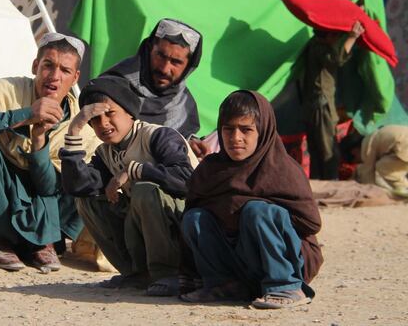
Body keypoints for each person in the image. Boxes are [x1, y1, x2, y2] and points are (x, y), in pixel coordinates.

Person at [0, 32, 99, 272]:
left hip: (44, 199)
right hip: (0, 191)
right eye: (48, 65)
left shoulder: (80, 128)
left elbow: (49, 188)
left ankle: (42, 243)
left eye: (65, 70)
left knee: (83, 172)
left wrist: (39, 142)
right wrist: (24, 116)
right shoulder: (6, 90)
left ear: (75, 78)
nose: (54, 76)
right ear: (35, 65)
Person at [180, 90, 323, 309]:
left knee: (258, 211)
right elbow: (195, 208)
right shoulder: (211, 170)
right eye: (228, 129)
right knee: (194, 218)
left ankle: (285, 286)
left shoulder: (282, 169)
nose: (235, 138)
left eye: (246, 130)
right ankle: (224, 285)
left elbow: (311, 223)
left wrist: (252, 217)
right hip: (238, 259)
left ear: (263, 131)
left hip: (285, 260)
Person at [59, 76, 198, 294]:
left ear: (129, 112)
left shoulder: (158, 136)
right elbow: (79, 186)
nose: (103, 124)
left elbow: (187, 181)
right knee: (88, 201)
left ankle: (169, 275)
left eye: (110, 113)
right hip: (146, 228)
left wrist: (137, 170)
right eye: (94, 119)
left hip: (188, 230)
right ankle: (136, 274)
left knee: (144, 190)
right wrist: (73, 132)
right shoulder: (106, 153)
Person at [103, 18, 210, 157]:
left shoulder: (184, 106)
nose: (165, 69)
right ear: (149, 50)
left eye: (176, 62)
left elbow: (180, 138)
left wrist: (189, 144)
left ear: (188, 67)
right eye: (160, 55)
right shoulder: (113, 87)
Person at [300, 21, 364, 179]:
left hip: (313, 105)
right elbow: (337, 59)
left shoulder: (313, 44)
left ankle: (319, 185)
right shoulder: (320, 48)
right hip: (321, 106)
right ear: (327, 35)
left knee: (317, 151)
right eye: (335, 35)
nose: (337, 39)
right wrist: (352, 37)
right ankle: (331, 185)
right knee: (329, 150)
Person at [341, 125, 408, 197]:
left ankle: (404, 189)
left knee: (382, 167)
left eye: (357, 161)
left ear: (354, 152)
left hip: (404, 146)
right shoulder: (372, 138)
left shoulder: (366, 148)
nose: (361, 162)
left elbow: (369, 177)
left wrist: (369, 194)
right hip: (403, 143)